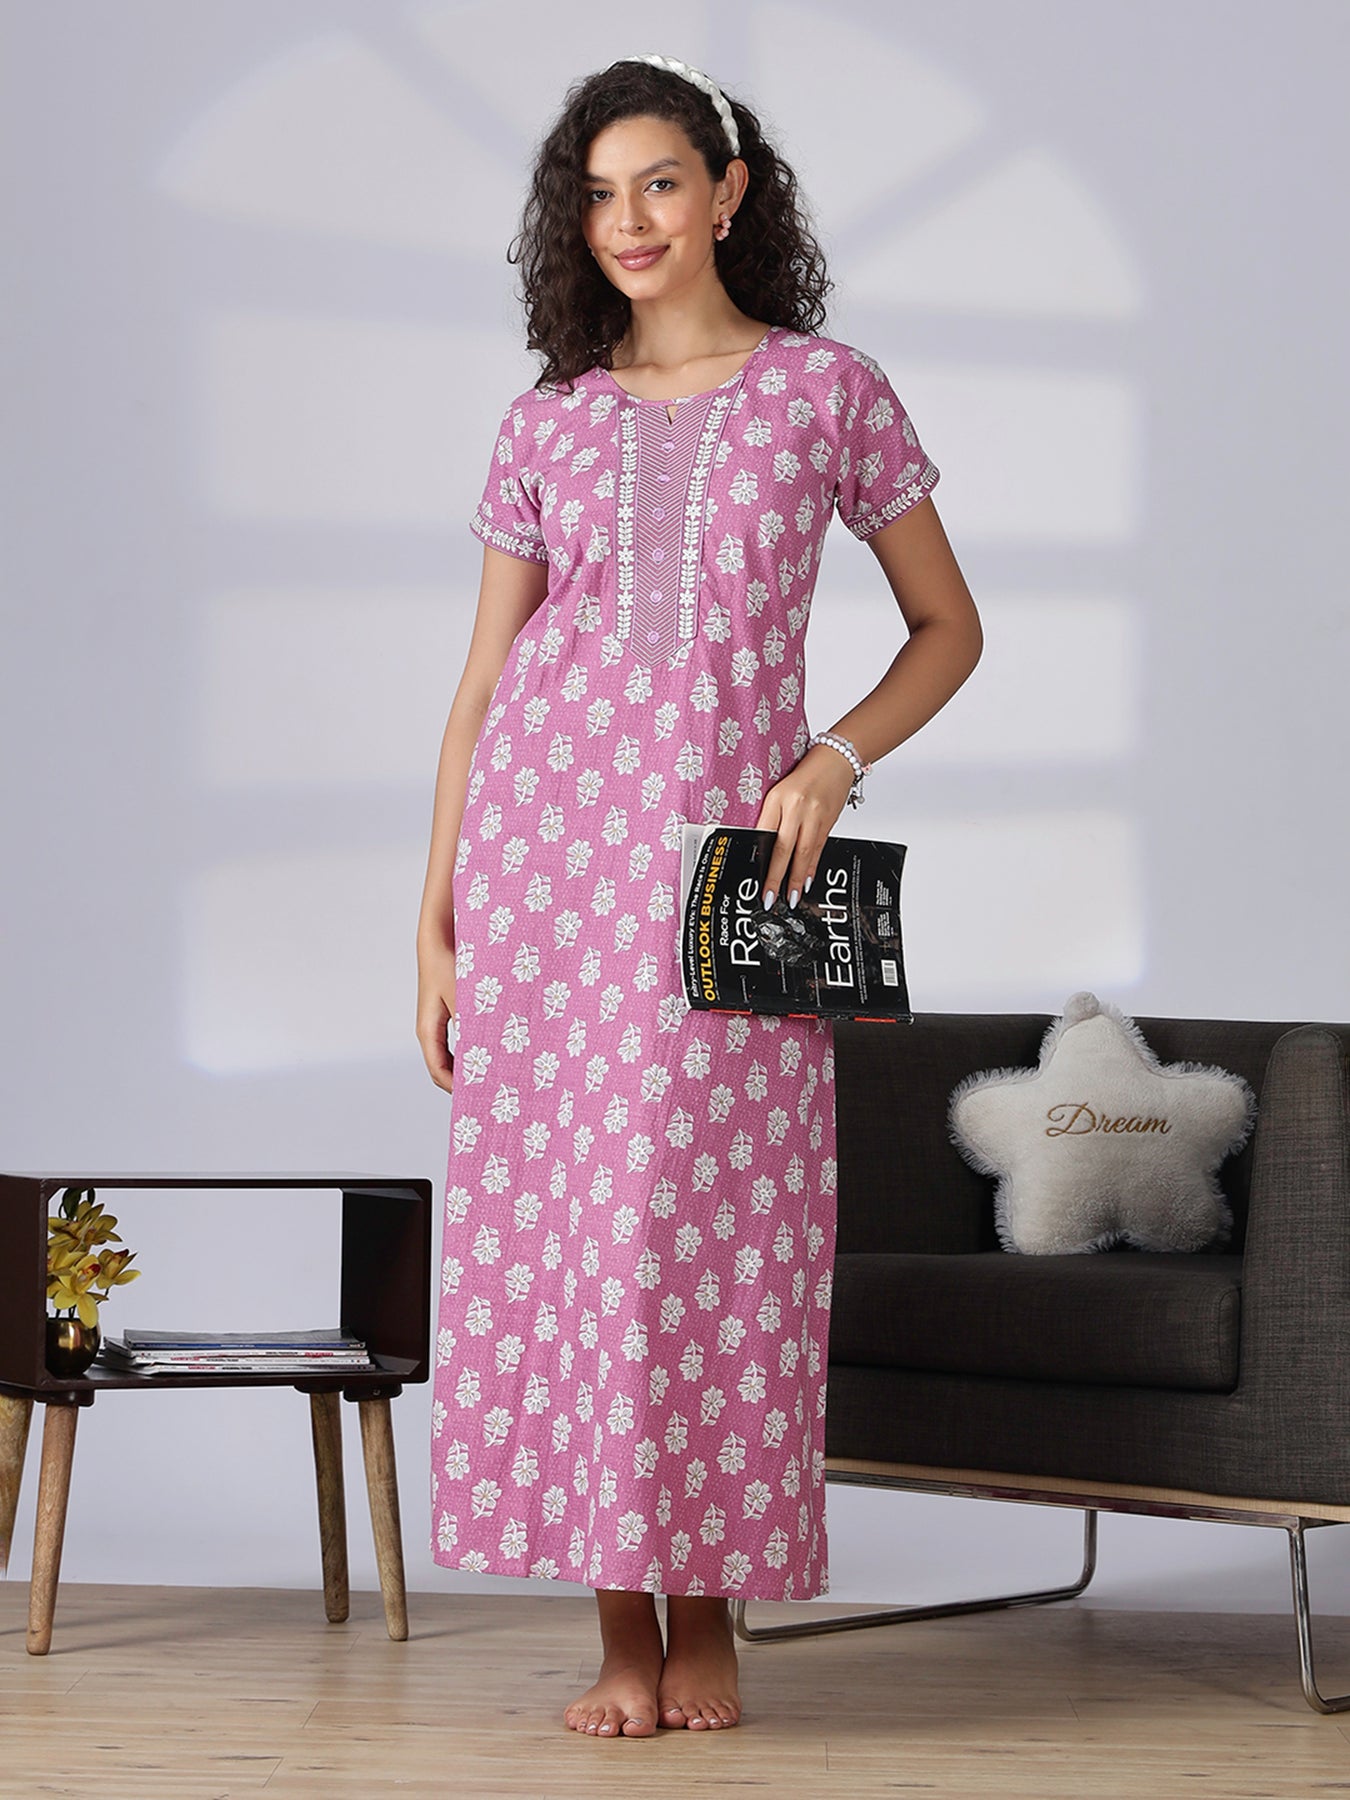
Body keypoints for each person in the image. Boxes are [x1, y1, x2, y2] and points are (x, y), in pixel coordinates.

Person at [415, 53, 982, 1740]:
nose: (629, 220)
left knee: (710, 1231)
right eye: (598, 194)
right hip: (540, 877)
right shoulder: (548, 420)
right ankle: (617, 1626)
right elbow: (481, 688)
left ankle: (709, 1606)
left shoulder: (825, 392)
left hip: (726, 884)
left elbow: (948, 628)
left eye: (658, 182)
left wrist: (834, 759)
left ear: (727, 192)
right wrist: (433, 926)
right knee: (570, 1235)